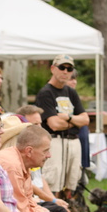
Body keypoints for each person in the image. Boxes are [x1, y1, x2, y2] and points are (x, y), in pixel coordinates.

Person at [0, 125, 85, 212]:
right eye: (46, 151)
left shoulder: (22, 162)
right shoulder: (12, 167)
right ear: (29, 151)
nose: (49, 155)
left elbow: (28, 202)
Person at [35, 54, 89, 197]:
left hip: (73, 141)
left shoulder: (71, 92)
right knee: (54, 181)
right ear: (53, 69)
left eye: (69, 69)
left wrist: (68, 117)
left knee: (72, 181)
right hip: (55, 141)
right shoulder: (46, 93)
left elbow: (85, 120)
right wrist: (74, 121)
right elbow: (53, 124)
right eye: (62, 67)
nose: (65, 71)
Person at [68, 68, 90, 174]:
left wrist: (70, 118)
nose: (74, 82)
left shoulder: (74, 95)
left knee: (80, 167)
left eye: (75, 79)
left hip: (80, 133)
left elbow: (85, 119)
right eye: (71, 79)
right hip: (68, 136)